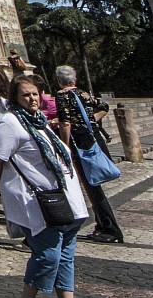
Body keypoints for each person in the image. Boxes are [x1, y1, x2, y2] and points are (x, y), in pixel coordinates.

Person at [0, 75, 100, 298]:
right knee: (47, 256)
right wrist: (7, 188)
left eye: (35, 94)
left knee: (66, 257)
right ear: (15, 97)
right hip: (37, 202)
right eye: (25, 94)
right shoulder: (9, 123)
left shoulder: (42, 124)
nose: (32, 98)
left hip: (65, 202)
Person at [53, 67, 124, 245]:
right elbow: (104, 106)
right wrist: (90, 121)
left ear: (58, 80)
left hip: (79, 144)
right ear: (74, 79)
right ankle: (102, 224)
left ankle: (111, 228)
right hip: (94, 140)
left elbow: (65, 123)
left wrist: (65, 146)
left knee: (93, 188)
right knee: (94, 186)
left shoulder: (62, 95)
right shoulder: (83, 94)